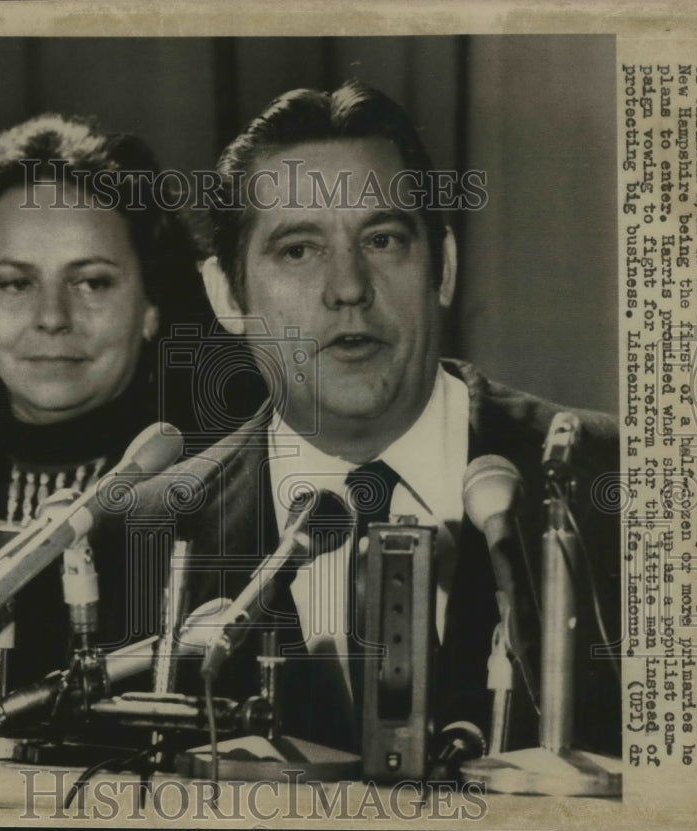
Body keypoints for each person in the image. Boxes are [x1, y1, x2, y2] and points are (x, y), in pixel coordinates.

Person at [96, 81, 621, 761]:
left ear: (445, 267)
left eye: (382, 239)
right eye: (297, 250)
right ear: (226, 294)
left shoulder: (621, 485)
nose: (347, 286)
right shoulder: (137, 535)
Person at [0, 113, 214, 727]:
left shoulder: (215, 488)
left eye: (93, 282)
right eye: (16, 283)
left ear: (152, 306)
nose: (52, 317)